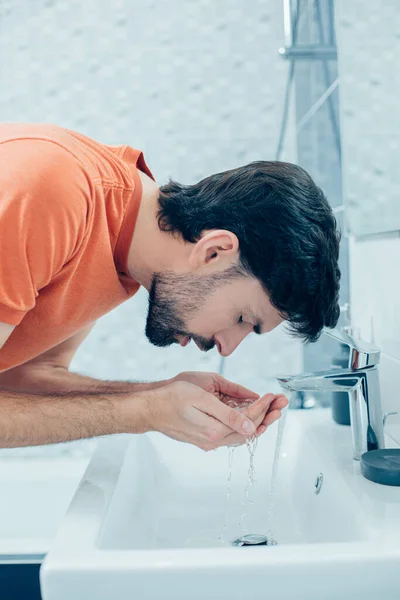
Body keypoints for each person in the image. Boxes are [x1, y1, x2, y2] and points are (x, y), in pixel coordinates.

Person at [0, 123, 340, 450]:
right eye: (242, 318)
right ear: (214, 251)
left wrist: (160, 395)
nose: (225, 349)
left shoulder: (122, 244)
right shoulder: (55, 196)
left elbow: (23, 377)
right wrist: (144, 412)